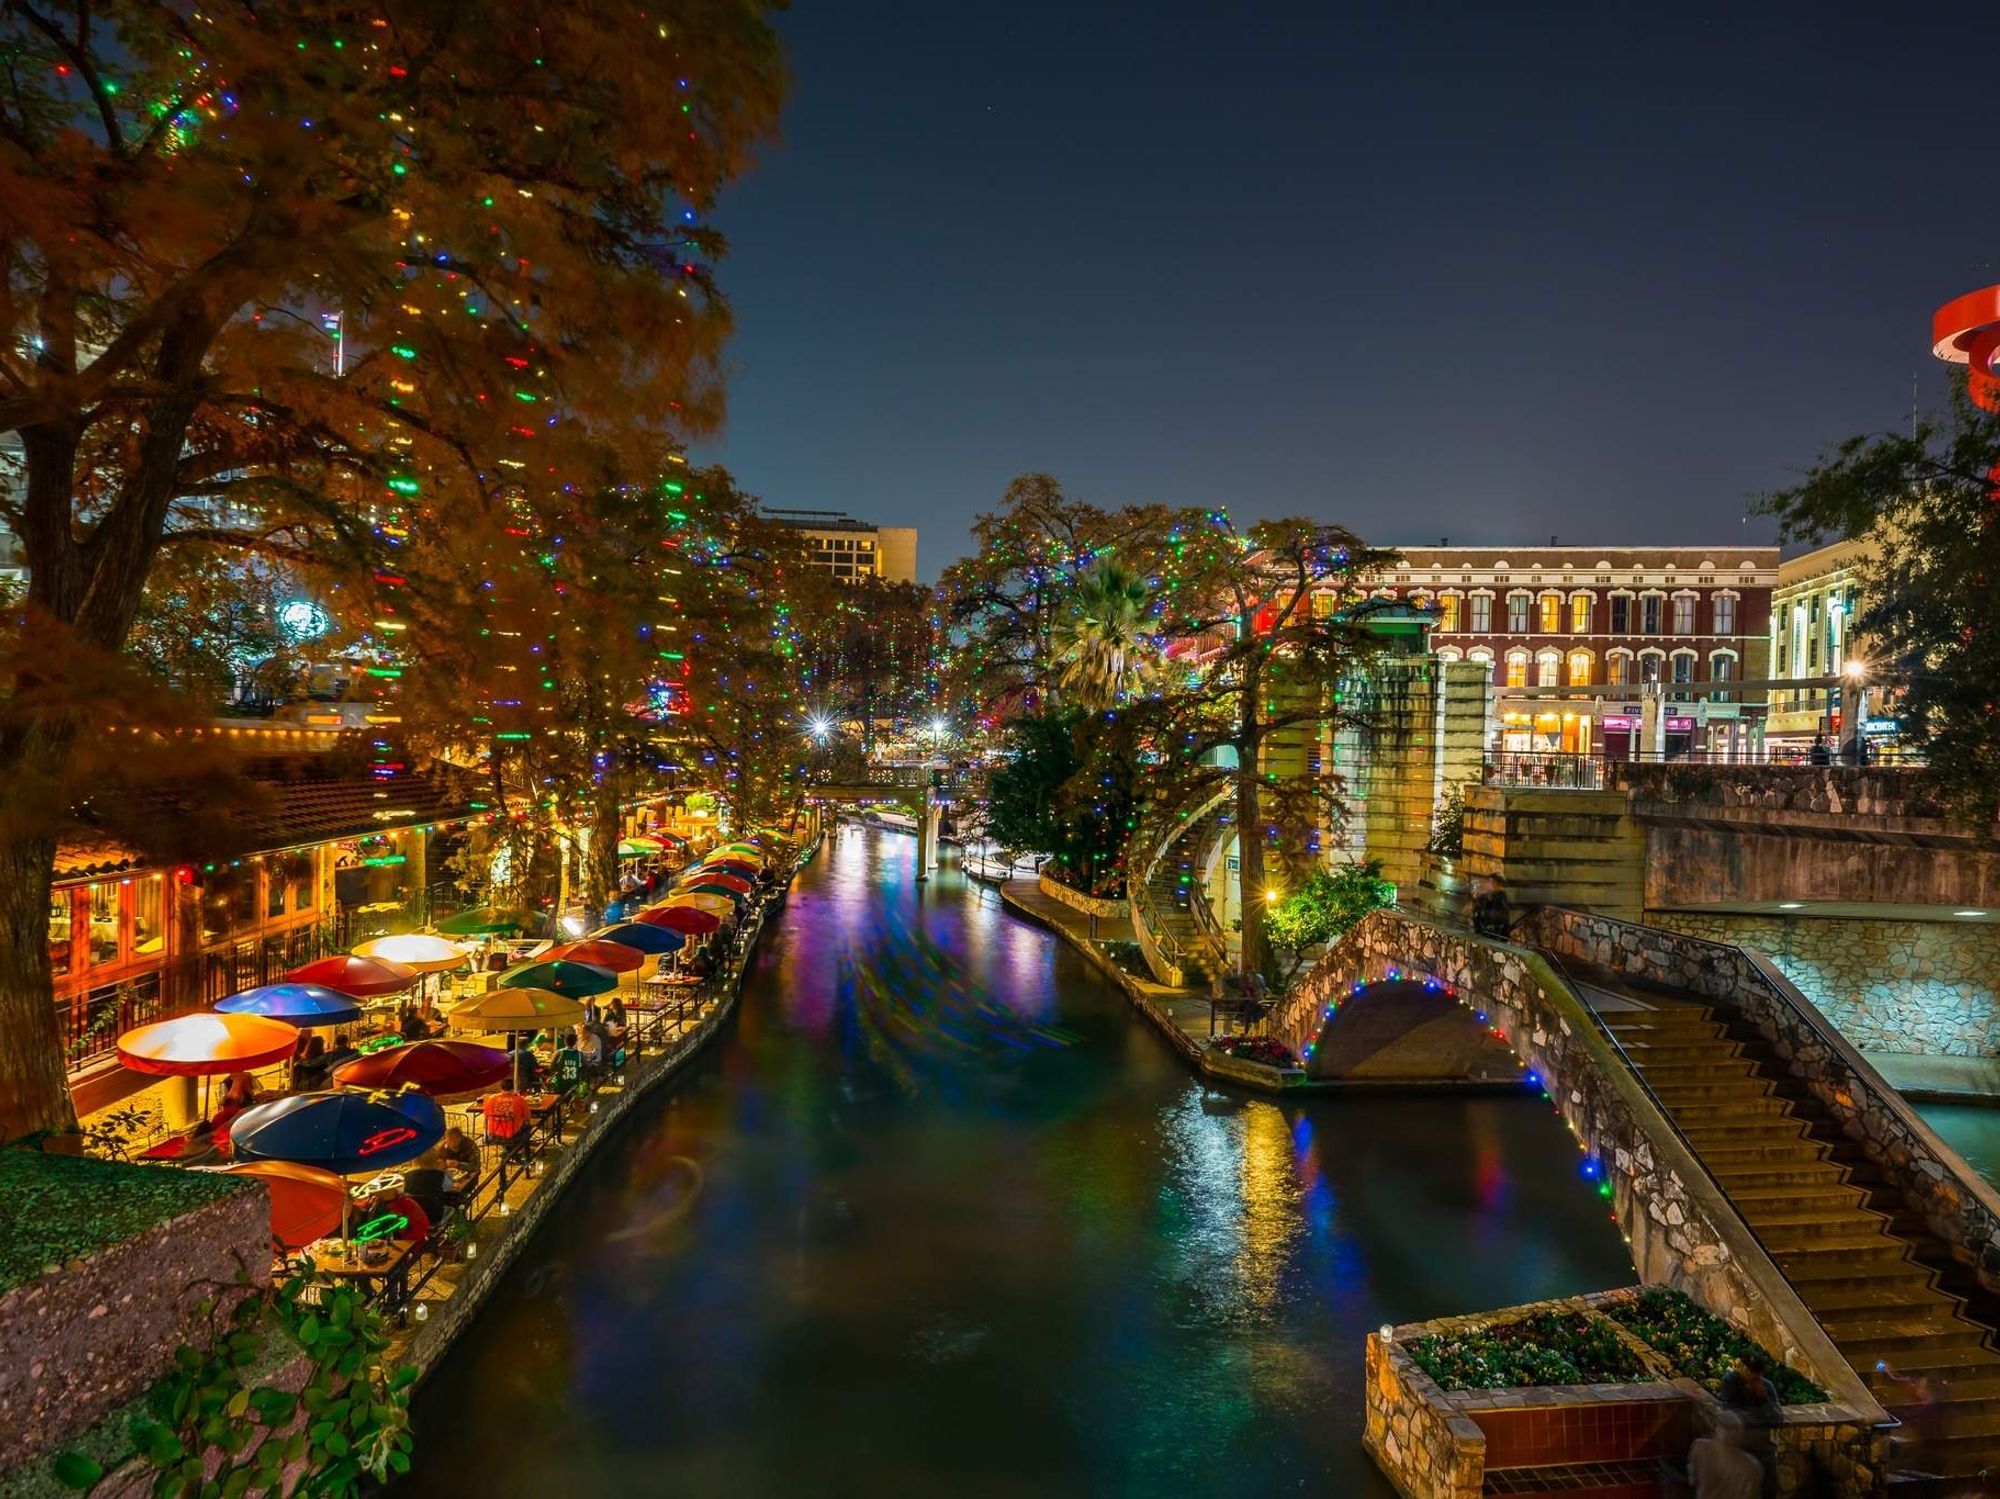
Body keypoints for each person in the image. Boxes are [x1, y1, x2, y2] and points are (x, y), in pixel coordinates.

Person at [1687, 1413, 1762, 1499]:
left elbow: (1692, 1480)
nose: (1729, 1433)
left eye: (1731, 1428)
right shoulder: (1751, 1466)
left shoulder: (1700, 1447)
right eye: (1727, 1428)